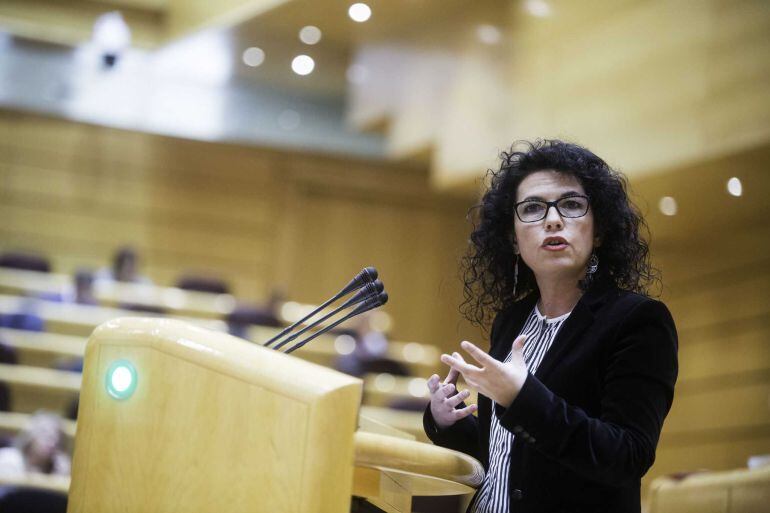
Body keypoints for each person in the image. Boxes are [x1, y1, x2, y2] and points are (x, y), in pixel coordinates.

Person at [423, 140, 678, 513]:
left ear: (600, 230)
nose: (553, 219)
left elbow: (626, 456)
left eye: (572, 205)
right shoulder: (512, 320)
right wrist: (445, 421)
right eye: (533, 208)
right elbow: (513, 457)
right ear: (512, 238)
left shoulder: (638, 321)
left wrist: (522, 398)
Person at [0, 411, 71, 476]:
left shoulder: (59, 467)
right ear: (30, 436)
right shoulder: (9, 460)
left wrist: (61, 475)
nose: (52, 442)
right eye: (45, 434)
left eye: (56, 438)